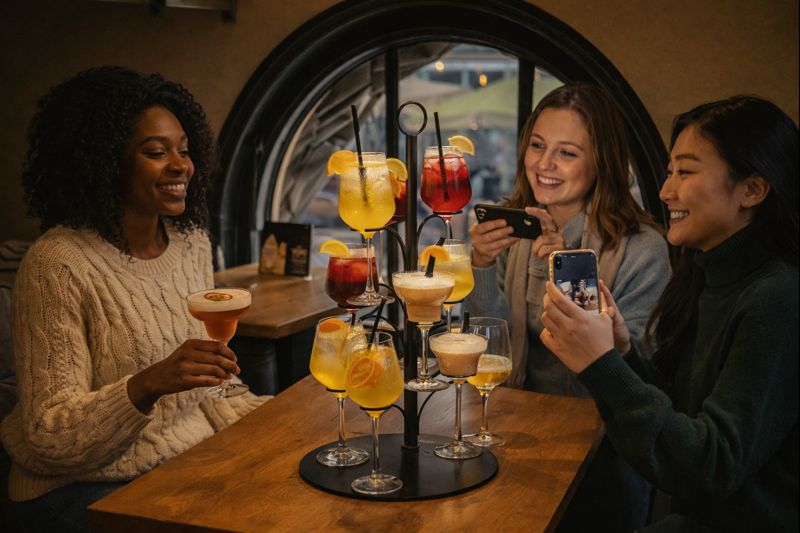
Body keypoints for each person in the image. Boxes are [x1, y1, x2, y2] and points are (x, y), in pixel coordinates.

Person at [0, 66, 269, 532]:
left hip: (181, 462)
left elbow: (209, 394)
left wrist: (288, 420)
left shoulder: (191, 244)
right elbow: (48, 437)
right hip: (79, 489)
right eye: (155, 152)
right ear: (106, 161)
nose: (181, 165)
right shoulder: (57, 264)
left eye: (184, 150)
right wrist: (149, 383)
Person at [541, 95, 799, 532]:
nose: (665, 191)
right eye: (668, 172)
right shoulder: (706, 275)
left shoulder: (778, 298)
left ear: (752, 189)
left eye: (686, 171)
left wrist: (602, 366)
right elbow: (684, 414)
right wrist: (623, 355)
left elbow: (710, 466)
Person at [464, 83, 671, 531]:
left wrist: (564, 274)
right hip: (516, 434)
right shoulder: (518, 232)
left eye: (567, 153)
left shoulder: (643, 249)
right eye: (537, 146)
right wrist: (479, 264)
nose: (544, 164)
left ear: (603, 162)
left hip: (603, 453)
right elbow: (495, 341)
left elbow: (637, 371)